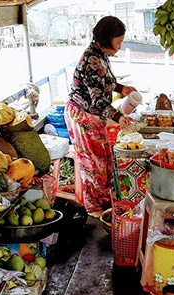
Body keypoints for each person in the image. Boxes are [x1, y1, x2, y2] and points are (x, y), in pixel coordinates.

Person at [65, 16, 137, 215]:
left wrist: (121, 88)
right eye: (119, 42)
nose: (120, 47)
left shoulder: (101, 54)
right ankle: (94, 210)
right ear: (107, 38)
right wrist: (119, 116)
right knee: (93, 164)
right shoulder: (93, 60)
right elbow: (98, 102)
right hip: (83, 115)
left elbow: (105, 82)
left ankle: (104, 204)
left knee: (103, 161)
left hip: (93, 114)